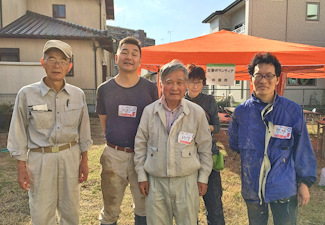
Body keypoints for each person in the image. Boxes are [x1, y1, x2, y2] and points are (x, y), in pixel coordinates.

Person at [7, 40, 92, 225]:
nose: (57, 65)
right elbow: (18, 131)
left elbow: (84, 130)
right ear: (42, 62)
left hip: (70, 156)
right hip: (40, 159)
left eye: (62, 60)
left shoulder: (78, 95)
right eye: (51, 59)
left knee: (71, 211)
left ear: (69, 66)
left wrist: (84, 161)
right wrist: (21, 167)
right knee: (41, 213)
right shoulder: (27, 94)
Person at [228, 52, 317, 225]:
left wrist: (304, 182)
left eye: (269, 76)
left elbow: (302, 148)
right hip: (252, 185)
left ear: (277, 79)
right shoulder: (241, 113)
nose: (263, 80)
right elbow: (235, 143)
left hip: (284, 187)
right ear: (251, 78)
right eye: (258, 75)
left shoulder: (291, 111)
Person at [134, 62, 213, 225]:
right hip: (155, 182)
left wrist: (203, 177)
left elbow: (205, 148)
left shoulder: (196, 112)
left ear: (186, 85)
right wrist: (142, 175)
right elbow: (140, 145)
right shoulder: (150, 111)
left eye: (180, 82)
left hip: (187, 182)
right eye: (169, 82)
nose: (175, 87)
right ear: (161, 84)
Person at [96, 36, 158, 225]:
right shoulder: (104, 89)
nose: (129, 57)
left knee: (144, 207)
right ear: (116, 58)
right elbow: (104, 122)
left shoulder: (150, 88)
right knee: (110, 208)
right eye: (124, 52)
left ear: (140, 61)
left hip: (143, 156)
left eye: (134, 54)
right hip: (114, 155)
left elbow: (154, 121)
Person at [184, 64, 225, 225]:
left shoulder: (209, 100)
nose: (195, 85)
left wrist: (204, 127)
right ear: (186, 82)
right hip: (186, 158)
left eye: (199, 82)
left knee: (214, 205)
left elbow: (217, 126)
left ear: (203, 83)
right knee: (188, 206)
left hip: (209, 156)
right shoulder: (180, 100)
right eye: (192, 81)